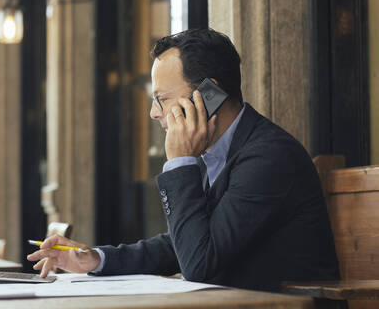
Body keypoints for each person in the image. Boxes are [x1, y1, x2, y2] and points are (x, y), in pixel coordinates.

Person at [27, 28, 340, 292]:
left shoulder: (268, 156)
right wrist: (95, 259)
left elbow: (198, 265)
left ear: (208, 96)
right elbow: (181, 245)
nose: (153, 113)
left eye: (162, 99)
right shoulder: (215, 152)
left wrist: (179, 162)